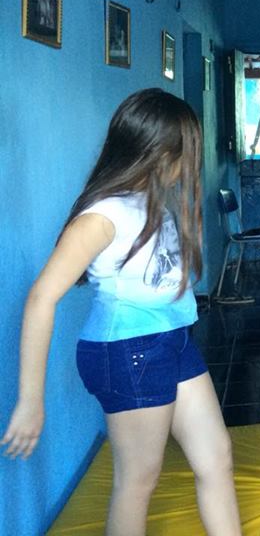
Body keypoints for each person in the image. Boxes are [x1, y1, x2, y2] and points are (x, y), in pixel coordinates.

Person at [1, 89, 242, 536]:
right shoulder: (102, 216)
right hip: (127, 353)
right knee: (138, 480)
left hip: (173, 342)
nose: (189, 165)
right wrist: (31, 400)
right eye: (185, 153)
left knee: (216, 456)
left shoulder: (152, 202)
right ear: (159, 154)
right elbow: (40, 299)